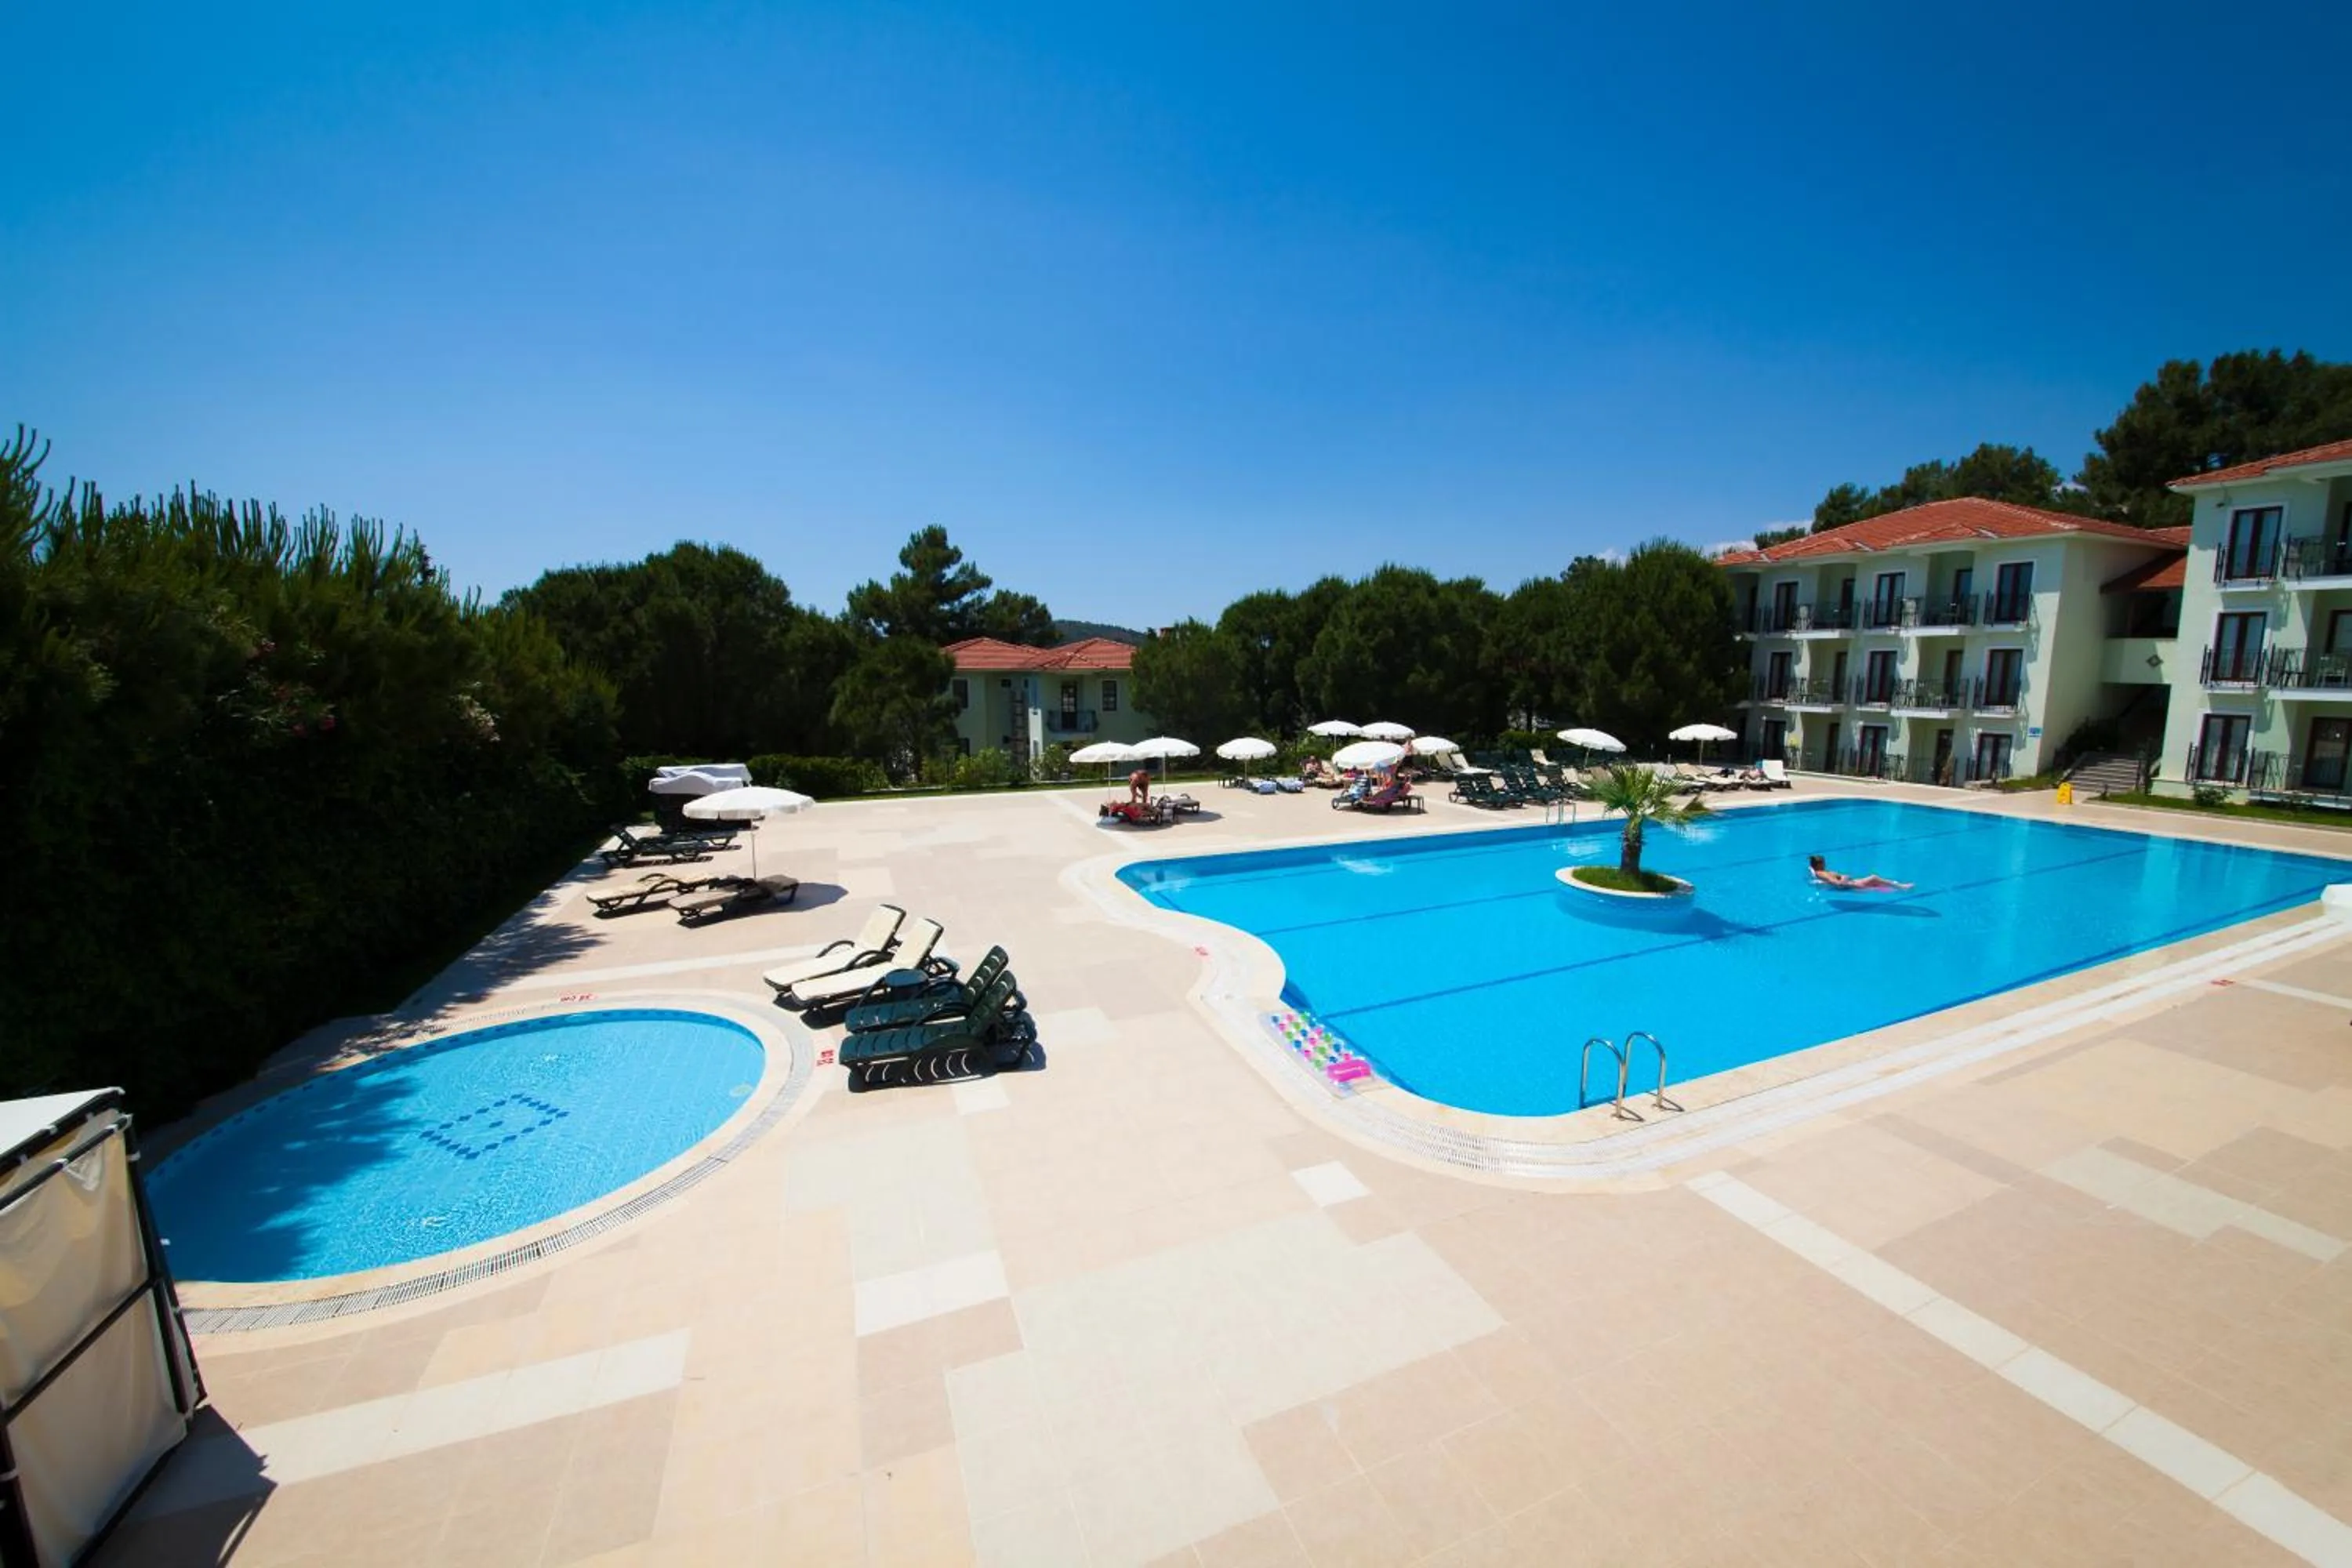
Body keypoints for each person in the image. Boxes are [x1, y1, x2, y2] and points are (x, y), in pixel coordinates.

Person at [1809, 854, 1911, 891]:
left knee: (1876, 882)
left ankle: (1895, 886)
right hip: (1853, 885)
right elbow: (1839, 884)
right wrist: (1845, 878)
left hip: (1852, 883)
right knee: (1874, 878)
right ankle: (1902, 887)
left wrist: (1844, 877)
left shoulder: (1823, 872)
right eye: (1823, 863)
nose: (1825, 864)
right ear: (1818, 865)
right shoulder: (1822, 873)